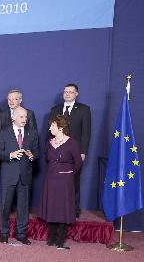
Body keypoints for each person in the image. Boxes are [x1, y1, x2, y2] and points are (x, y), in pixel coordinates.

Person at [0, 107, 39, 245]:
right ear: (13, 117)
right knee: (5, 206)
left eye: (26, 117)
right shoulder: (3, 133)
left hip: (25, 175)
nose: (24, 119)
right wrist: (10, 155)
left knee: (23, 207)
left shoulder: (32, 133)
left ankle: (21, 234)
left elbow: (36, 152)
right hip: (9, 174)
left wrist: (32, 156)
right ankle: (4, 233)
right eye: (21, 117)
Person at [38, 115, 83, 250]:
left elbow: (78, 163)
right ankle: (51, 237)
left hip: (65, 181)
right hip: (51, 179)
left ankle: (61, 239)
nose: (50, 127)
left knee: (63, 209)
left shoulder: (72, 143)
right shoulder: (49, 143)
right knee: (52, 207)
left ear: (61, 128)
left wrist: (67, 173)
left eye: (52, 125)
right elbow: (47, 160)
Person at [49, 83, 91, 218]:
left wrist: (83, 151)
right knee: (56, 181)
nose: (67, 94)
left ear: (76, 94)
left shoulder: (84, 109)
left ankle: (73, 209)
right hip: (56, 152)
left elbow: (86, 133)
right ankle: (56, 208)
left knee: (73, 181)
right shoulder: (55, 109)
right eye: (65, 92)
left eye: (70, 92)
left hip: (74, 152)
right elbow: (49, 131)